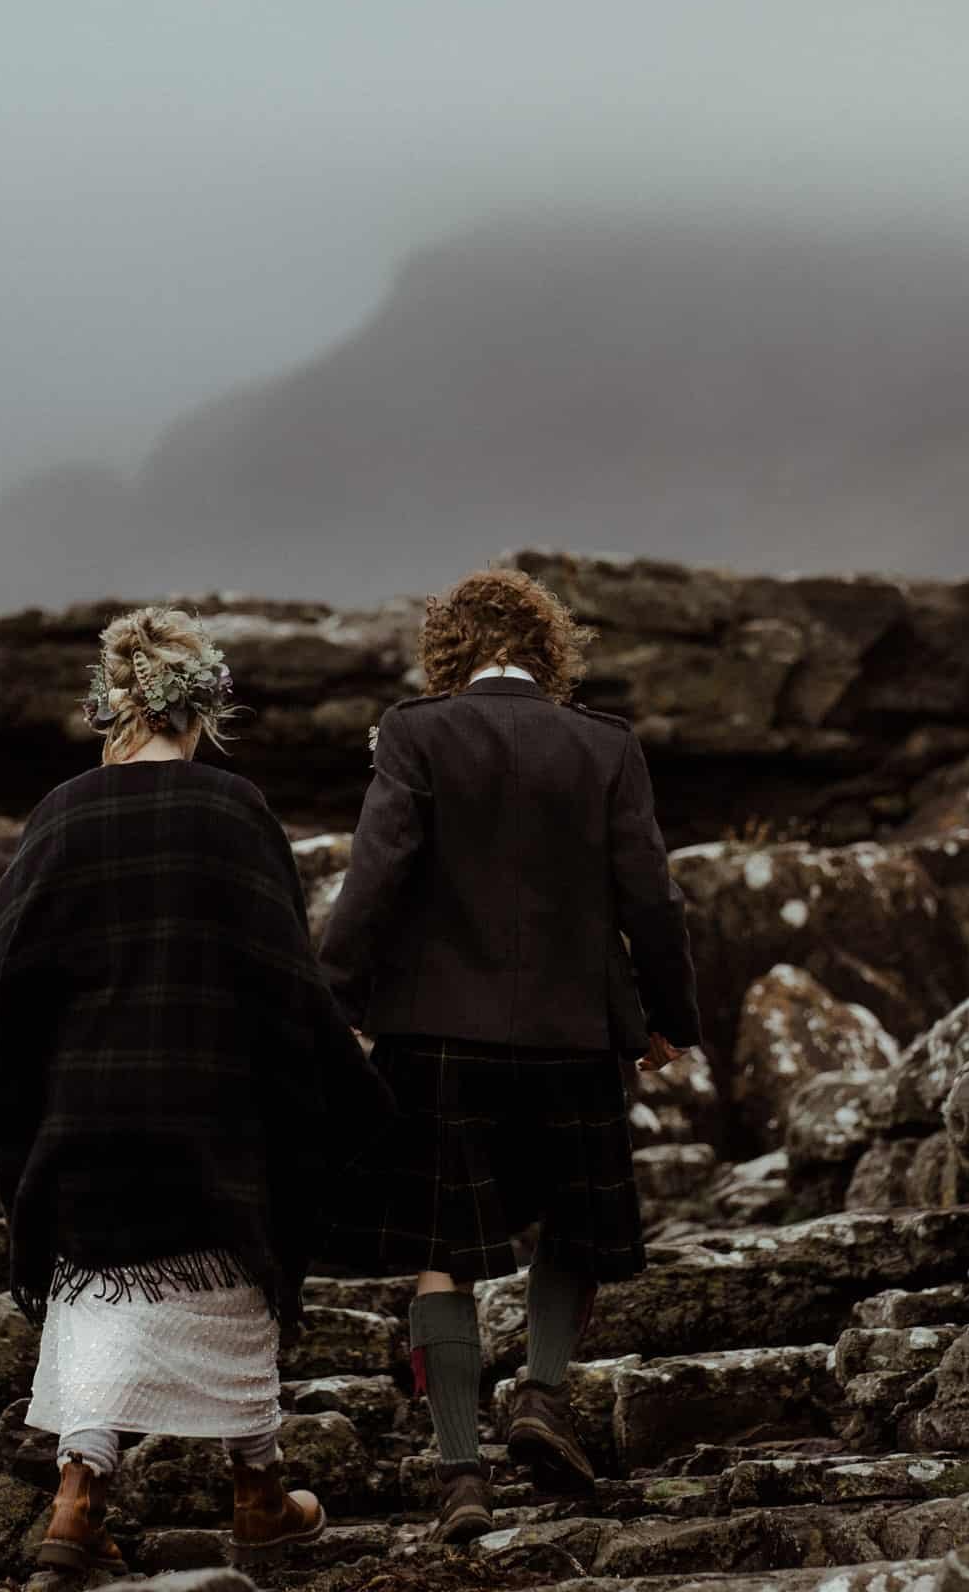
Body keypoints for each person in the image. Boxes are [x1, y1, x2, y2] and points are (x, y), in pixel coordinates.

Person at [0, 606, 392, 1575]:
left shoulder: (60, 813)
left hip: (79, 1120)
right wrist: (357, 1087)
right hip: (212, 1112)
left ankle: (76, 1501)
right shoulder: (232, 808)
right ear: (203, 706)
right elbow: (279, 973)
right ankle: (257, 1492)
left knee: (97, 1296)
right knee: (231, 1278)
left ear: (111, 707)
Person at [318, 567, 703, 1544]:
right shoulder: (603, 745)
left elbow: (374, 878)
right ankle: (539, 1392)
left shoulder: (415, 733)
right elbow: (650, 897)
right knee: (576, 1225)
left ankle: (461, 1473)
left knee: (439, 1256)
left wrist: (332, 1006)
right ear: (549, 653)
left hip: (436, 1036)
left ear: (448, 653)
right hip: (574, 1035)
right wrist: (671, 1015)